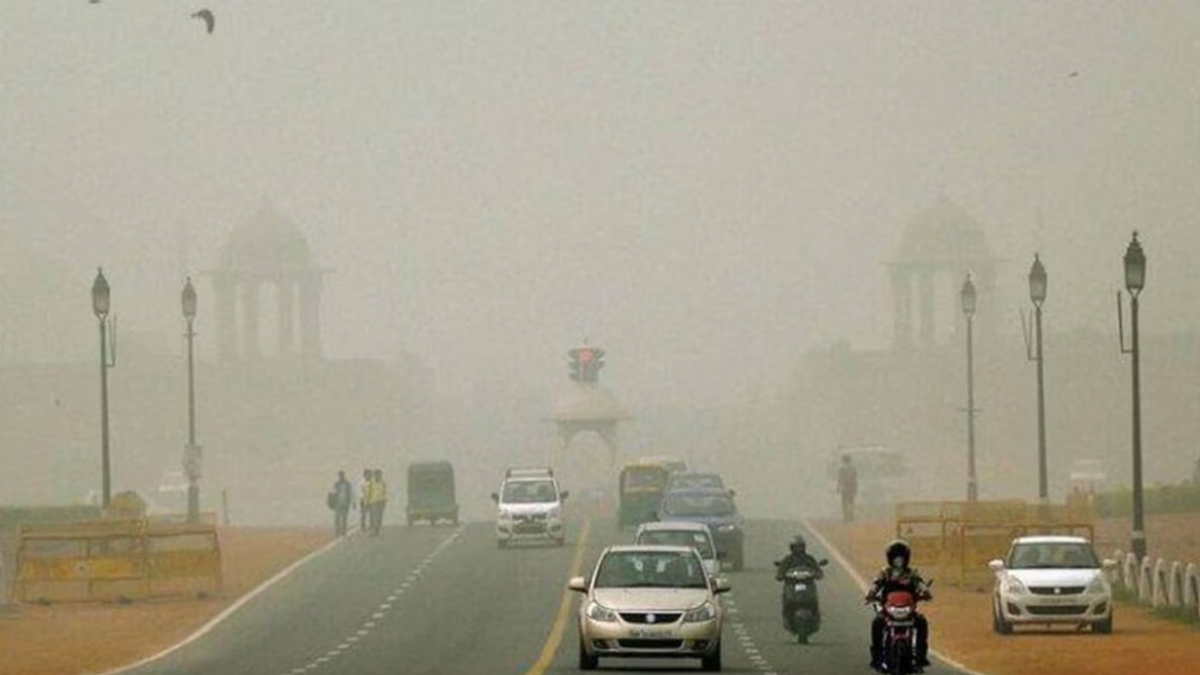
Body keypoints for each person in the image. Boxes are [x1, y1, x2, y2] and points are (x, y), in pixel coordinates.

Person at [866, 540, 931, 672]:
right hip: (889, 610)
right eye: (896, 558)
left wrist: (925, 592)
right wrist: (871, 594)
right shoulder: (885, 572)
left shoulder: (912, 573)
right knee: (877, 622)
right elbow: (876, 584)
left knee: (922, 622)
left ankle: (920, 657)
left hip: (908, 609)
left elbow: (920, 583)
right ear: (890, 559)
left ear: (906, 559)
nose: (899, 561)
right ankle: (876, 658)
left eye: (901, 558)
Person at [329, 470, 353, 537]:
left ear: (344, 476)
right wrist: (332, 503)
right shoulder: (336, 484)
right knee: (337, 518)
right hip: (338, 503)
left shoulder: (347, 484)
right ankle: (337, 532)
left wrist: (350, 502)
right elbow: (333, 493)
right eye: (340, 476)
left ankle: (343, 532)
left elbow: (350, 494)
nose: (341, 477)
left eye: (342, 475)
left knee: (344, 518)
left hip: (345, 503)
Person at [836, 455, 858, 523]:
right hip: (849, 488)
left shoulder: (842, 469)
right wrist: (855, 489)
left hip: (845, 488)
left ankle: (846, 517)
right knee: (850, 503)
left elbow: (840, 479)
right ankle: (850, 517)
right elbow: (854, 480)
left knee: (845, 503)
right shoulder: (852, 469)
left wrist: (838, 487)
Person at [367, 468, 388, 536]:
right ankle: (375, 530)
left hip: (381, 502)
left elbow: (385, 492)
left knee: (379, 517)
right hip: (373, 502)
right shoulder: (371, 483)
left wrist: (385, 500)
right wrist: (367, 502)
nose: (378, 476)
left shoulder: (383, 483)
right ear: (374, 476)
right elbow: (369, 492)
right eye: (376, 475)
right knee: (374, 516)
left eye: (379, 475)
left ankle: (377, 529)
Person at [356, 469, 372, 533]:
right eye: (368, 474)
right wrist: (362, 497)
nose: (369, 475)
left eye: (370, 474)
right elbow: (358, 491)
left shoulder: (372, 482)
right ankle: (363, 527)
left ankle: (371, 527)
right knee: (363, 515)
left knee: (372, 514)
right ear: (364, 475)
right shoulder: (361, 483)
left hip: (371, 500)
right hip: (364, 500)